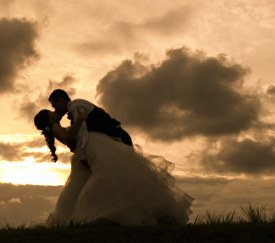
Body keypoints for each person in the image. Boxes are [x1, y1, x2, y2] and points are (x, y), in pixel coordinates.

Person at [34, 109, 193, 226]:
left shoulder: (55, 127)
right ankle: (93, 218)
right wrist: (80, 120)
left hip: (83, 159)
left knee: (90, 190)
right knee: (103, 184)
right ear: (49, 119)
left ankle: (100, 218)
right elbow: (68, 136)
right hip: (86, 157)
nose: (55, 113)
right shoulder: (55, 127)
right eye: (52, 113)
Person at [48, 89, 132, 168]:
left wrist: (82, 157)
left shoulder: (76, 106)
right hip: (113, 144)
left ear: (60, 100)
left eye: (54, 106)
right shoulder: (74, 110)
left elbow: (82, 131)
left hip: (120, 140)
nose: (55, 110)